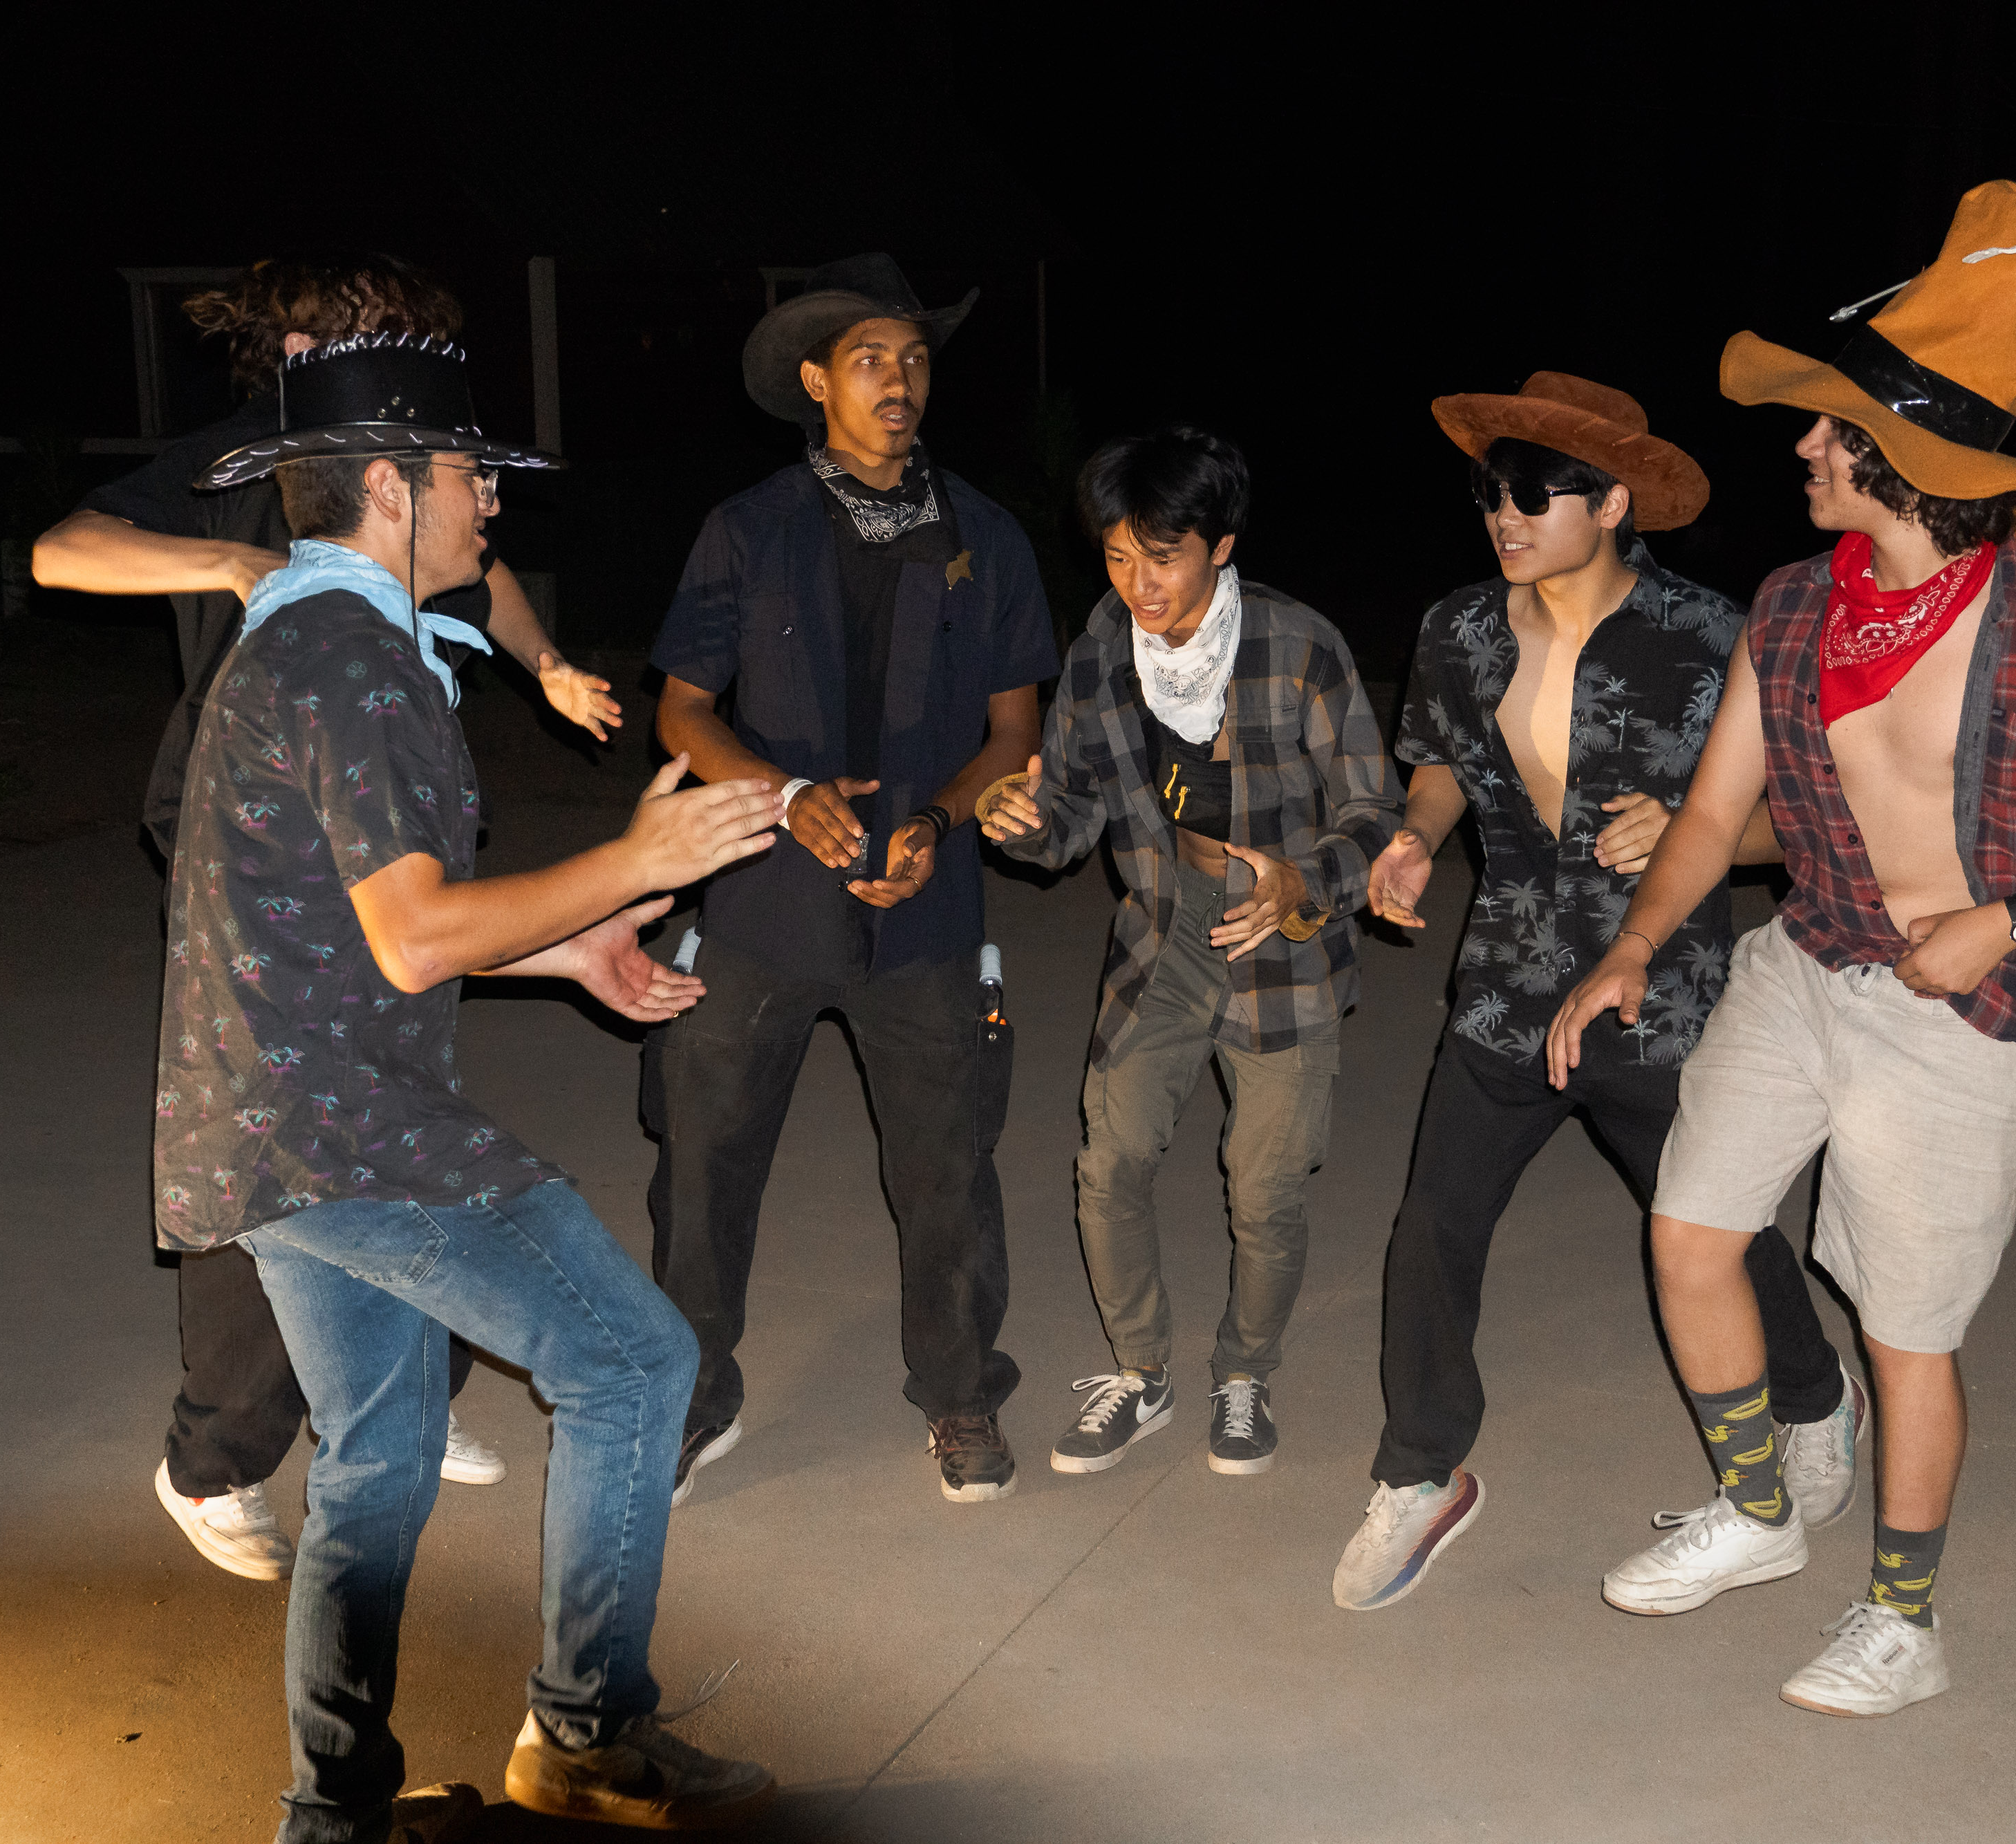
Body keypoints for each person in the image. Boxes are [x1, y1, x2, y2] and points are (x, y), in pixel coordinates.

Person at [1548, 183, 2016, 1715]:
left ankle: (1903, 1621)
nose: (1804, 445)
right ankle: (1757, 1507)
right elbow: (1713, 809)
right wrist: (1631, 945)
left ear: (1903, 457)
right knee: (1689, 1231)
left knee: (1902, 1335)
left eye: (1832, 428)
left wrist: (2010, 919)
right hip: (1806, 964)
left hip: (1964, 1017)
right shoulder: (1795, 606)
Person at [153, 333, 779, 1839]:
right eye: (468, 473)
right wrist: (629, 862)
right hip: (351, 1133)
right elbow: (417, 933)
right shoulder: (353, 657)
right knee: (636, 1366)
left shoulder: (304, 637)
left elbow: (345, 924)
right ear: (390, 484)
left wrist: (566, 951)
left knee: (374, 1456)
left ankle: (336, 1810)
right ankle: (583, 1734)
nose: (490, 501)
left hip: (271, 1127)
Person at [33, 253, 621, 1578]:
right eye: (373, 335)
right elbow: (58, 551)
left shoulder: (404, 457)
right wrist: (240, 561)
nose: (396, 361)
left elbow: (481, 572)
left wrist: (546, 666)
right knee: (270, 1125)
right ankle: (217, 1457)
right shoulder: (247, 459)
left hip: (379, 807)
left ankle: (405, 1384)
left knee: (395, 1087)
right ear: (297, 346)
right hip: (247, 824)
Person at [1330, 375, 1862, 1612]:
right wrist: (1413, 837)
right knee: (1434, 1225)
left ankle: (1811, 1398)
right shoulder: (1460, 627)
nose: (1503, 515)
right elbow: (1440, 766)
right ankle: (1421, 1472)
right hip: (1508, 982)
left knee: (1717, 1228)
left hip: (1658, 993)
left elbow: (1818, 816)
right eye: (1489, 491)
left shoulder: (1714, 635)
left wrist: (1695, 833)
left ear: (1614, 504)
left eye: (1532, 491)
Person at [646, 254, 1054, 1505]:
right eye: (872, 359)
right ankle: (692, 1397)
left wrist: (933, 822)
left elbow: (1014, 732)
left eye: (916, 359)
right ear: (818, 381)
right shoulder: (749, 528)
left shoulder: (985, 536)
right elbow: (681, 710)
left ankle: (960, 1394)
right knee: (705, 1164)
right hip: (766, 895)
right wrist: (782, 794)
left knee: (947, 1168)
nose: (900, 381)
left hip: (925, 904)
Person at [979, 427, 1401, 1478]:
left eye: (1162, 558)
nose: (1139, 585)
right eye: (1119, 557)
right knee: (1110, 1158)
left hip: (1284, 938)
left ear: (1222, 545)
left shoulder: (1299, 647)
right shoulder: (1100, 655)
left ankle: (1245, 1374)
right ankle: (1143, 1371)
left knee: (1266, 1188)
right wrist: (1017, 818)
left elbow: (1375, 813)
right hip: (1163, 931)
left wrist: (1306, 880)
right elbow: (1068, 817)